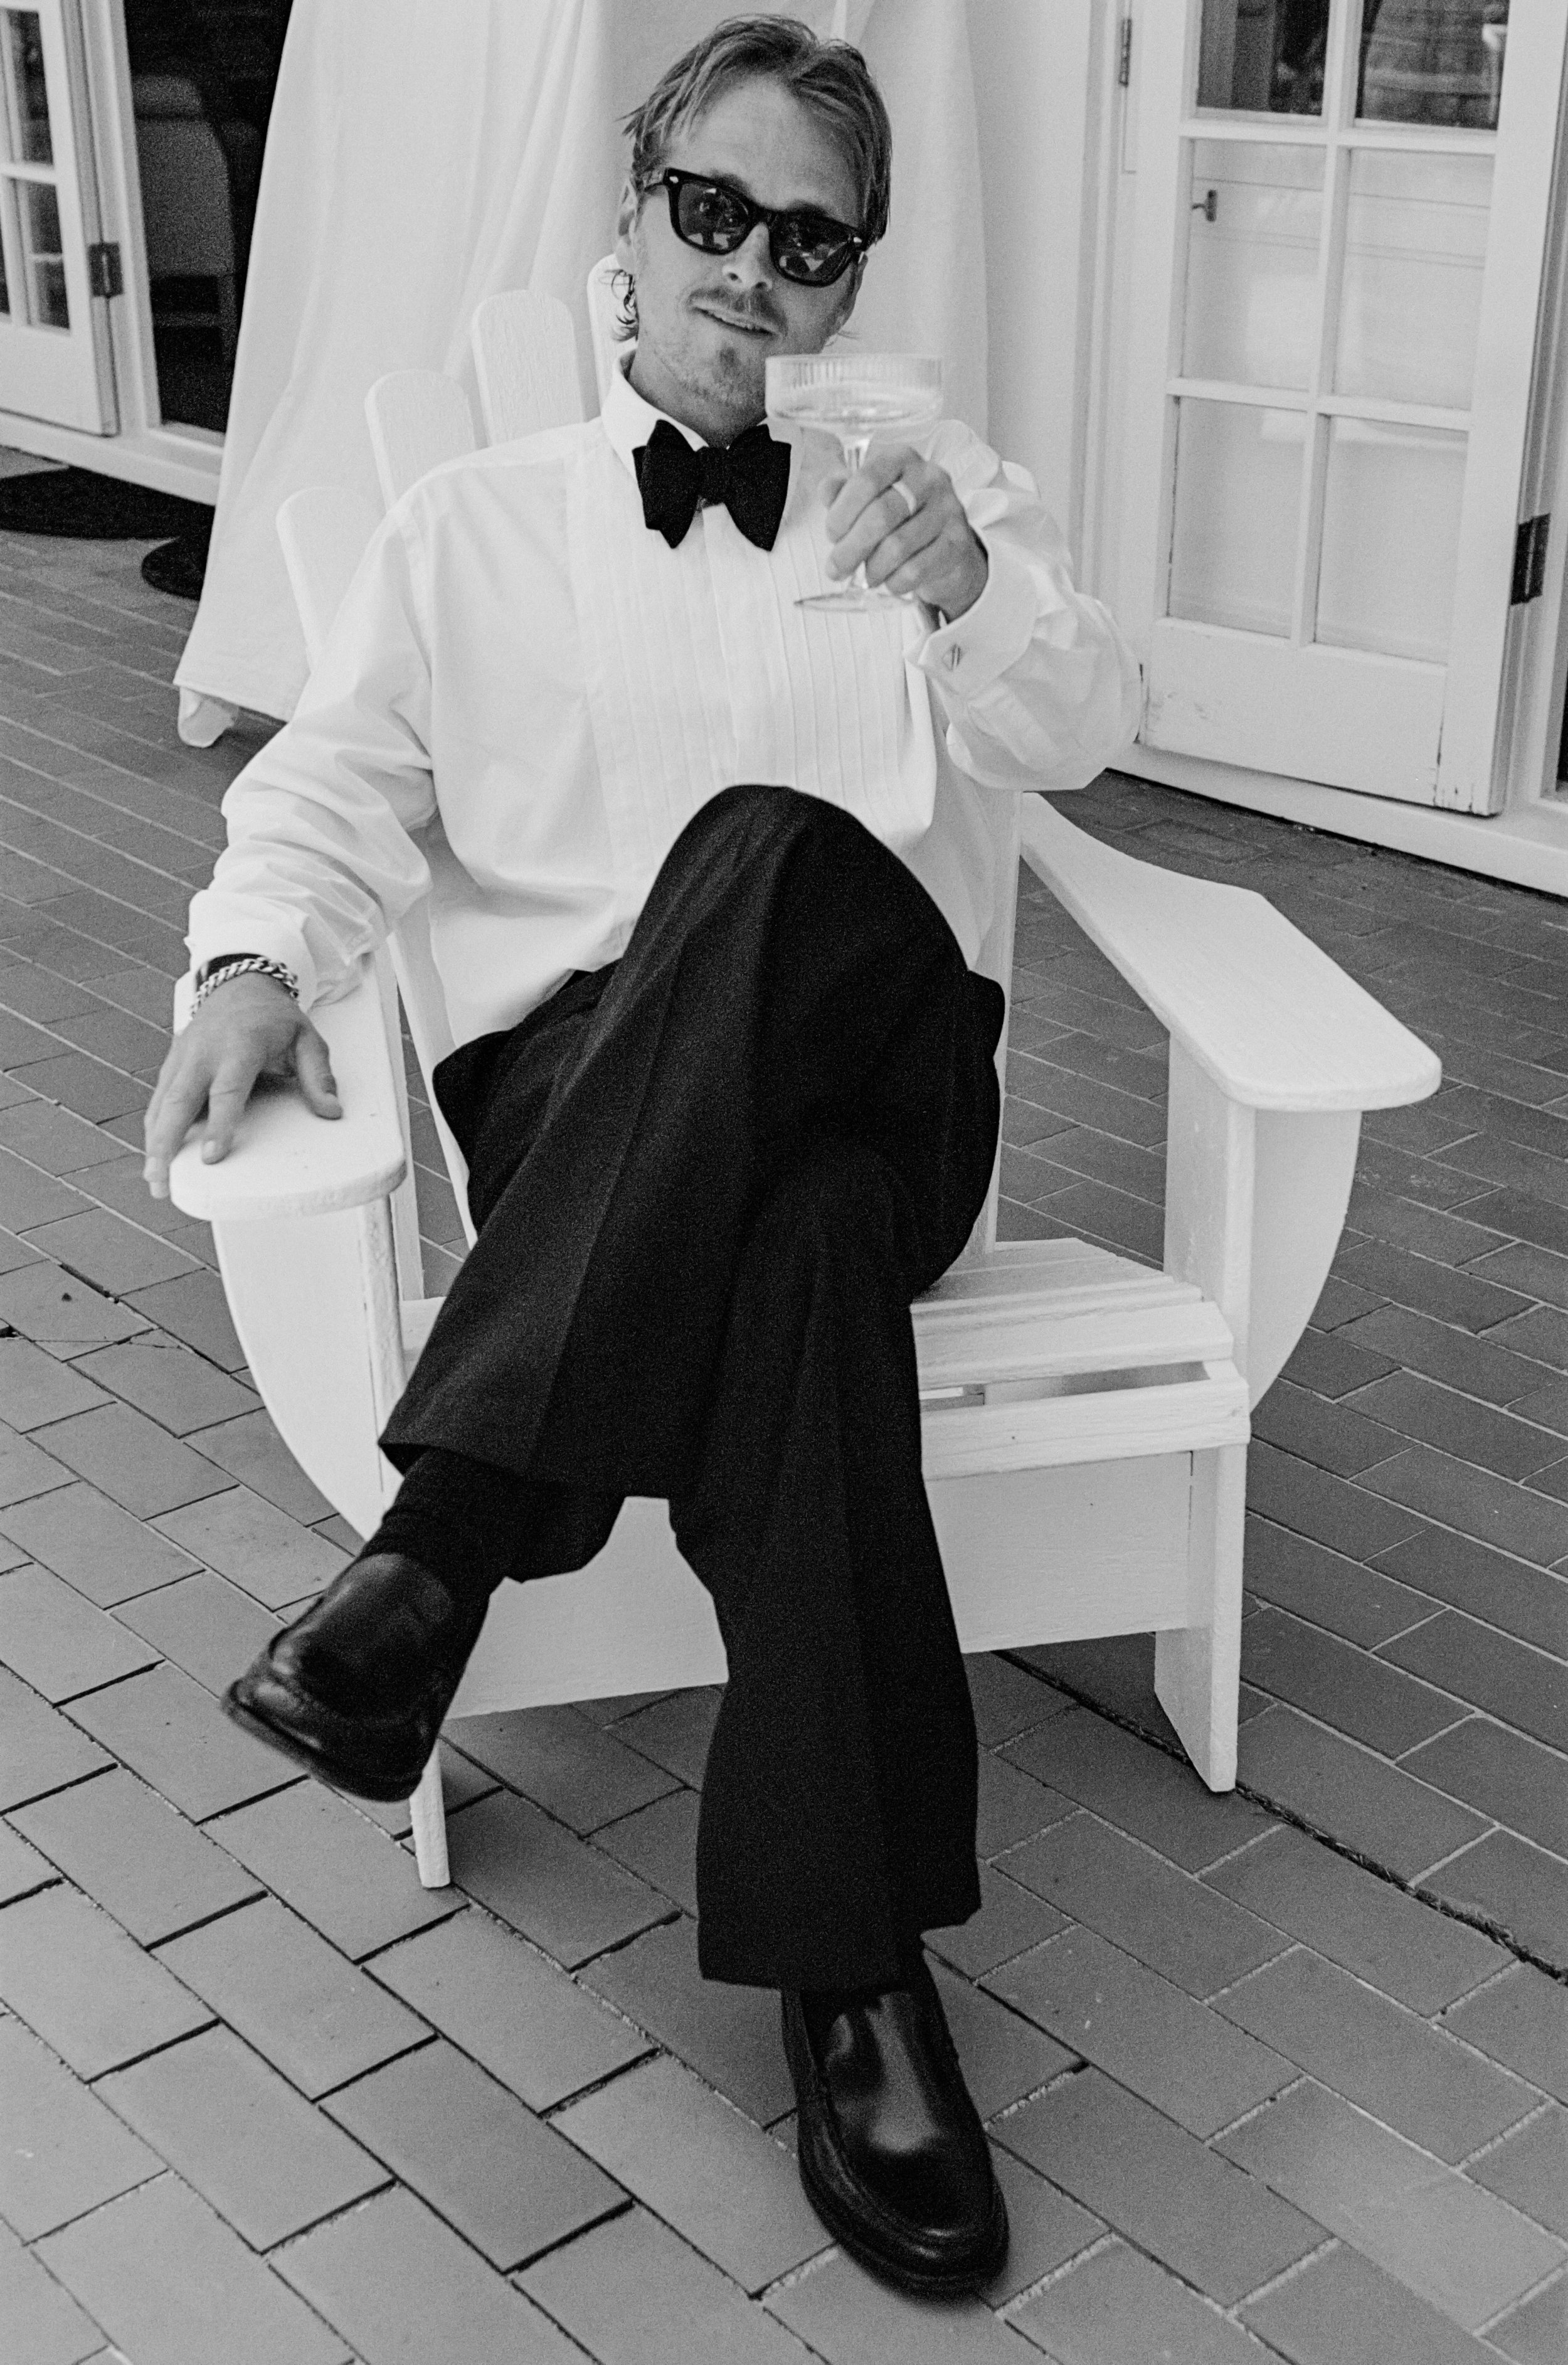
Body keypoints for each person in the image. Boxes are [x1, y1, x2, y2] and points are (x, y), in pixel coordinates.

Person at [144, 16, 1138, 2298]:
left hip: (891, 1076)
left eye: (809, 242)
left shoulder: (924, 485)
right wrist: (245, 967)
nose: (752, 274)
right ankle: (856, 1969)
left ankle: (451, 1533)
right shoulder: (465, 525)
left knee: (777, 853)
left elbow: (1087, 730)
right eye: (714, 213)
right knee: (778, 1250)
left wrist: (969, 596)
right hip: (603, 1120)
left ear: (849, 275)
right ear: (631, 209)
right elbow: (323, 795)